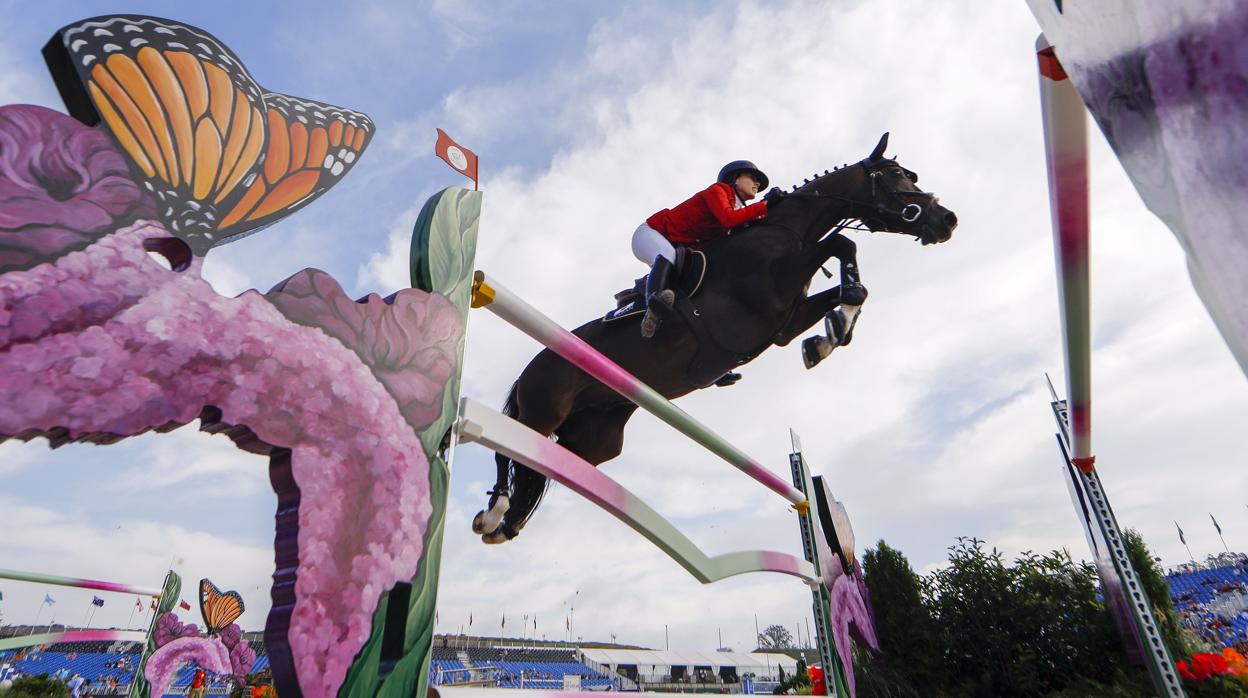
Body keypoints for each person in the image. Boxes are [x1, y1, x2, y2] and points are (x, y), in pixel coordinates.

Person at [633, 160, 785, 342]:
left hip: (676, 244)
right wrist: (765, 204)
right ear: (734, 179)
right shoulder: (718, 190)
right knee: (669, 256)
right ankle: (654, 305)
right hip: (650, 233)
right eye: (752, 177)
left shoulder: (740, 208)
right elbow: (728, 219)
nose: (757, 184)